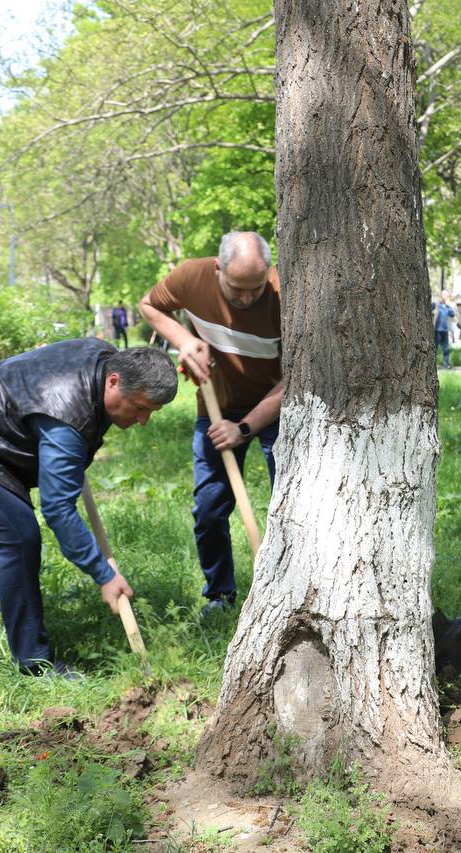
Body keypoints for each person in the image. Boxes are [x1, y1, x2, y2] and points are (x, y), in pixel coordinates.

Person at [0, 341, 177, 676]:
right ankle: (34, 663)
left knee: (9, 529)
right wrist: (104, 575)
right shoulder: (68, 416)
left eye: (151, 412)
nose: (143, 420)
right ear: (113, 381)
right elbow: (58, 510)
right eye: (140, 407)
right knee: (18, 537)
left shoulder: (106, 358)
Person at [139, 231, 283, 616]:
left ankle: (289, 592)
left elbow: (298, 378)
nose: (248, 297)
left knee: (289, 504)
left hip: (277, 411)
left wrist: (246, 428)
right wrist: (184, 341)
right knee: (208, 509)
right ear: (218, 268)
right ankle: (219, 595)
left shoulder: (286, 294)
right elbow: (150, 306)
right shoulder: (191, 277)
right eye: (238, 288)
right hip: (216, 406)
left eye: (256, 287)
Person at [432, 290, 456, 368]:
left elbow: (452, 314)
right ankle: (432, 364)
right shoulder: (436, 305)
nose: (446, 297)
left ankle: (446, 364)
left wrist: (449, 305)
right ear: (441, 296)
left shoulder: (448, 307)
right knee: (435, 347)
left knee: (446, 348)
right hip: (437, 330)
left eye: (447, 295)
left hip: (445, 330)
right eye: (444, 295)